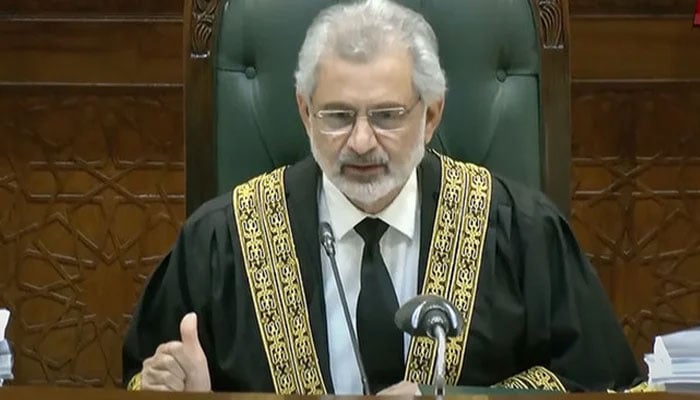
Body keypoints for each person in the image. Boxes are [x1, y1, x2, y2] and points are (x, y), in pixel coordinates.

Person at [122, 0, 644, 395]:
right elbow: (141, 375)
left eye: (387, 116)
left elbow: (600, 382)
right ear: (305, 113)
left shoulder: (519, 230)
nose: (361, 141)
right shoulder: (222, 239)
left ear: (431, 115)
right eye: (338, 116)